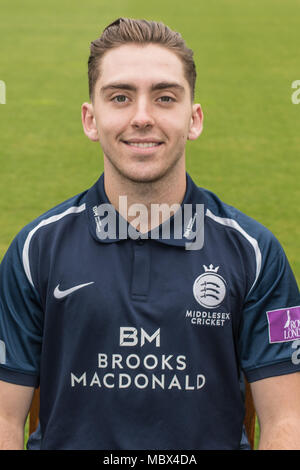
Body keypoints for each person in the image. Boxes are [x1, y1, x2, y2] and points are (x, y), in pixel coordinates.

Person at [0, 17, 299, 451]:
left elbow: (286, 420)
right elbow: (5, 418)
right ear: (90, 118)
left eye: (164, 97)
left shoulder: (256, 253)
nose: (142, 117)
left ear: (193, 118)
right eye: (120, 97)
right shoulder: (34, 250)